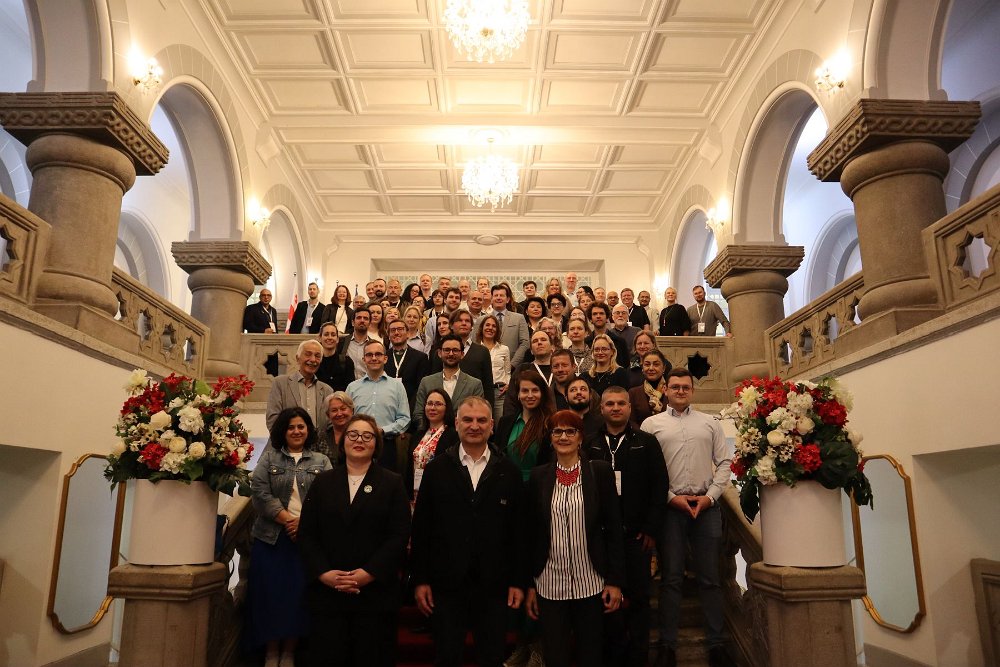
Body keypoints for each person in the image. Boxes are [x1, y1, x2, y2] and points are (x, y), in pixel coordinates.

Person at [411, 396, 527, 667]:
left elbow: (519, 532)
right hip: (446, 584)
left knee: (492, 657)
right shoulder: (436, 469)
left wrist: (518, 582)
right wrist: (420, 579)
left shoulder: (508, 471)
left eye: (481, 420)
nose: (474, 426)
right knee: (447, 656)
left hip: (494, 585)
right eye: (468, 419)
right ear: (456, 423)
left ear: (492, 425)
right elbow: (422, 528)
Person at [297, 414, 411, 667]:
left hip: (375, 596)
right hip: (329, 594)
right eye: (353, 434)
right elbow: (307, 534)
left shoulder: (392, 483)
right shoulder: (323, 482)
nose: (360, 440)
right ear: (343, 441)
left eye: (367, 436)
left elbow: (399, 535)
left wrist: (369, 573)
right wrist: (324, 574)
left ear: (376, 444)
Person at [641, 368, 734, 667]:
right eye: (675, 387)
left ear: (692, 391)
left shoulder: (710, 422)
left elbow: (725, 462)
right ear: (665, 390)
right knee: (671, 579)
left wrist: (711, 497)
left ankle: (716, 645)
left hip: (706, 507)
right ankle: (667, 646)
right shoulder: (651, 424)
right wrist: (671, 498)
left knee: (710, 578)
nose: (680, 391)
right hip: (670, 508)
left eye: (685, 387)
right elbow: (646, 470)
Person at [524, 410, 625, 667]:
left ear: (581, 437)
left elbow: (614, 529)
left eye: (571, 431)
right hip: (549, 583)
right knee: (555, 657)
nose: (563, 437)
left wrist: (614, 581)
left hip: (590, 582)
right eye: (557, 431)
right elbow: (531, 533)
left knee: (591, 656)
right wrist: (530, 584)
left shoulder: (599, 472)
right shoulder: (538, 477)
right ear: (550, 438)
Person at [584, 388, 668, 667]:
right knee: (606, 603)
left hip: (637, 536)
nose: (616, 408)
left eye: (621, 403)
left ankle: (638, 659)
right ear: (602, 409)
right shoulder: (590, 443)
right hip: (601, 539)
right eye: (610, 403)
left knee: (639, 601)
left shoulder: (647, 442)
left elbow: (659, 486)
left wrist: (651, 529)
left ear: (630, 408)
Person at [249, 407, 332, 667]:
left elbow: (329, 498)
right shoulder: (269, 458)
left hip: (306, 542)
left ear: (308, 430)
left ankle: (289, 653)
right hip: (271, 540)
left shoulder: (322, 461)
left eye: (301, 426)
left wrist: (304, 524)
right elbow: (259, 491)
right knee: (270, 597)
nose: (296, 431)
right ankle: (271, 652)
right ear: (283, 431)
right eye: (291, 427)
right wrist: (288, 519)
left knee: (297, 598)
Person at [346, 340, 411, 473]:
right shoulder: (352, 387)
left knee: (385, 483)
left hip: (386, 446)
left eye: (378, 354)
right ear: (364, 359)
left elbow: (404, 419)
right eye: (369, 355)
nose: (374, 358)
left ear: (385, 358)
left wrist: (383, 430)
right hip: (358, 444)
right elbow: (347, 419)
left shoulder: (397, 386)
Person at [413, 334, 485, 431]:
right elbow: (418, 414)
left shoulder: (474, 384)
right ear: (439, 353)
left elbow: (477, 414)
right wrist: (432, 432)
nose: (451, 354)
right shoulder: (426, 382)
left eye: (455, 350)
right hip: (431, 435)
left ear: (462, 354)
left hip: (462, 436)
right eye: (447, 350)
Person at [493, 370, 554, 482]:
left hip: (539, 485)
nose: (530, 395)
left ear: (542, 394)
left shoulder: (551, 423)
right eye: (525, 391)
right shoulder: (505, 422)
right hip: (508, 484)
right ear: (518, 394)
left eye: (535, 390)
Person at [266, 340, 334, 436]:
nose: (313, 359)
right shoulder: (280, 383)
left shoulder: (327, 390)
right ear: (297, 358)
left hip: (317, 444)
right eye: (308, 354)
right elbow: (272, 419)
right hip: (285, 443)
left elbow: (331, 425)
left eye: (317, 356)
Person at [430, 309, 495, 406]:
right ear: (451, 325)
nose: (464, 323)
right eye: (460, 320)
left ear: (471, 326)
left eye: (467, 321)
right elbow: (434, 381)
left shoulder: (482, 352)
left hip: (473, 407)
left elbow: (488, 386)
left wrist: (489, 410)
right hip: (444, 406)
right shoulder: (441, 352)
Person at [408, 388, 460, 498]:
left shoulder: (453, 436)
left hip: (439, 493)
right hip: (415, 493)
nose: (432, 408)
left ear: (447, 408)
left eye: (438, 404)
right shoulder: (417, 435)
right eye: (429, 403)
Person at [384, 318, 429, 413]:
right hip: (386, 407)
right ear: (388, 336)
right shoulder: (383, 357)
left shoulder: (420, 358)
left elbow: (420, 388)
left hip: (411, 408)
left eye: (400, 329)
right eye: (393, 330)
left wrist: (410, 408)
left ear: (408, 333)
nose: (396, 333)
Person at [476, 314, 511, 421]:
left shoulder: (504, 349)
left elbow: (507, 372)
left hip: (499, 393)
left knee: (500, 424)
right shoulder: (475, 349)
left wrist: (508, 384)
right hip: (481, 392)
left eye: (494, 326)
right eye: (487, 325)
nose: (490, 328)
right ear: (482, 328)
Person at [490, 284, 530, 367]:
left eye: (501, 295)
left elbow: (525, 343)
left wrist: (512, 364)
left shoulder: (519, 318)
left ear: (507, 299)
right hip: (488, 367)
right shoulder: (482, 319)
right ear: (491, 299)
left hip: (513, 367)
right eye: (496, 295)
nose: (498, 298)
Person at [243, 288, 280, 376]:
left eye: (268, 295)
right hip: (258, 345)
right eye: (264, 295)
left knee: (272, 372)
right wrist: (263, 330)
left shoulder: (273, 310)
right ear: (260, 297)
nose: (266, 297)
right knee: (258, 372)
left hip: (272, 345)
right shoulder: (252, 308)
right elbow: (247, 325)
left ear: (271, 298)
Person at [629, 350, 669, 427]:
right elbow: (631, 421)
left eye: (656, 364)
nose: (651, 368)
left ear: (664, 368)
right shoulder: (633, 393)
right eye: (647, 364)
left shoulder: (671, 391)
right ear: (642, 368)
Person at [585, 334, 629, 398]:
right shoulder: (585, 376)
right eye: (596, 349)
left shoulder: (621, 374)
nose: (600, 352)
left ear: (612, 351)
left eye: (604, 349)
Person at [316, 391, 354, 464]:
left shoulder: (361, 435)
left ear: (351, 410)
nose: (339, 414)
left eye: (343, 409)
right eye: (334, 410)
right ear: (328, 415)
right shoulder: (320, 436)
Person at [316, 322, 355, 392]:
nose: (330, 337)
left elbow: (350, 390)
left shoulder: (346, 362)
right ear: (320, 338)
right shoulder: (315, 362)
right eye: (326, 334)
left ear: (337, 339)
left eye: (333, 335)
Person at [346, 307, 374, 380]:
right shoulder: (342, 343)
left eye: (365, 318)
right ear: (353, 322)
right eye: (359, 318)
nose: (362, 320)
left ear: (370, 323)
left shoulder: (374, 346)